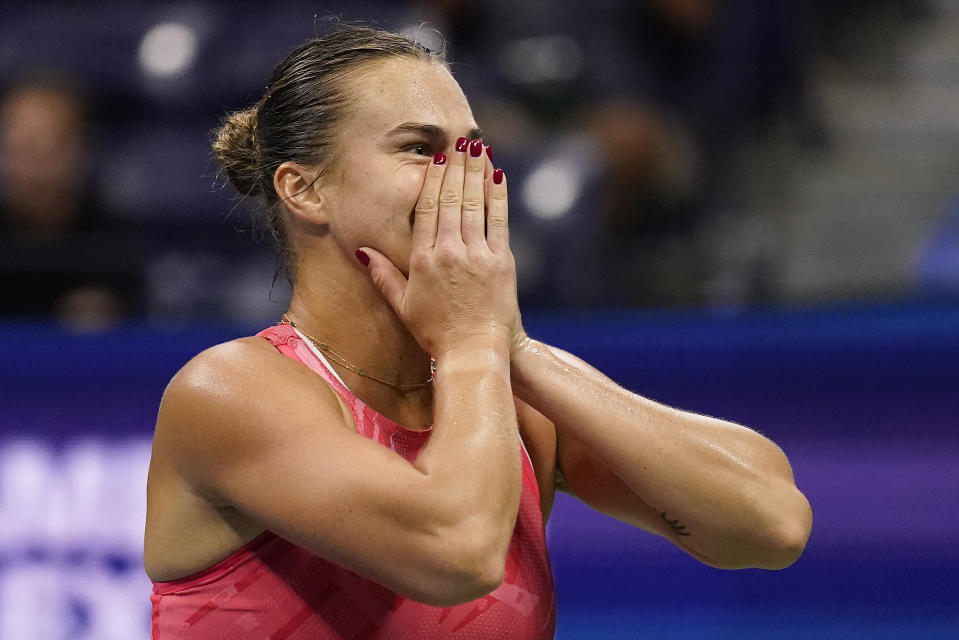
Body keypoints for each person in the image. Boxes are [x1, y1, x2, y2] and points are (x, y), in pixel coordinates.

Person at [144, 24, 812, 639]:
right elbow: (456, 550)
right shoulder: (230, 391)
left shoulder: (500, 390)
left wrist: (511, 350)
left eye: (471, 151)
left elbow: (770, 524)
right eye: (417, 148)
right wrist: (471, 344)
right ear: (304, 189)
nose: (459, 180)